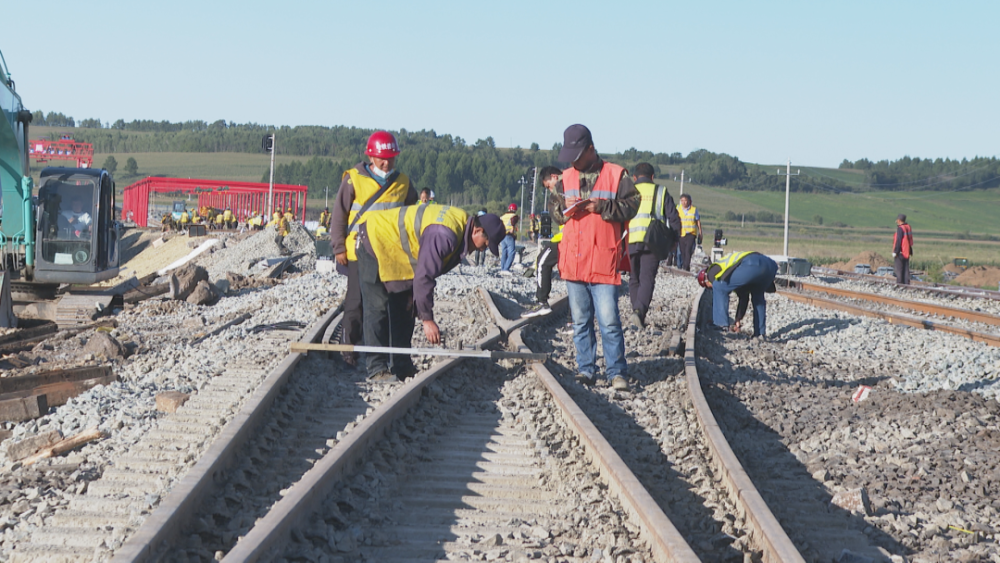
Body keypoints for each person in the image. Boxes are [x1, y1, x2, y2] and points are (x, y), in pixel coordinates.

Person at [357, 204, 505, 381]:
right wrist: (427, 319)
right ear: (477, 230)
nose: (483, 250)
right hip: (375, 240)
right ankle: (376, 369)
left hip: (395, 253)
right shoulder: (444, 236)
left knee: (405, 307)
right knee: (377, 307)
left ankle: (401, 365)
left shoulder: (461, 224)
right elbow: (424, 276)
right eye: (485, 244)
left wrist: (420, 308)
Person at [551, 124, 639, 391]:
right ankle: (586, 369)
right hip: (574, 262)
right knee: (580, 321)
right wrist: (563, 211)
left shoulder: (616, 175)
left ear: (591, 148)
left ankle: (616, 372)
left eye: (578, 155)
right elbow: (554, 212)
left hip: (603, 261)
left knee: (609, 320)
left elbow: (632, 206)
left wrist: (600, 207)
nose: (574, 161)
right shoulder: (564, 179)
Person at [331, 131, 418, 367]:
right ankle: (350, 351)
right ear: (371, 156)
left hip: (390, 254)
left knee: (388, 305)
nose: (386, 163)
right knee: (355, 304)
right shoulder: (353, 179)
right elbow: (340, 215)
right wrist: (339, 247)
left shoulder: (404, 183)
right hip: (359, 251)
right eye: (382, 158)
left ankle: (382, 354)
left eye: (390, 158)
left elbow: (412, 217)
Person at [627, 163, 681, 330]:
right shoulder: (660, 191)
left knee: (634, 278)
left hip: (630, 240)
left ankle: (636, 312)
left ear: (634, 177)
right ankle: (639, 312)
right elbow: (674, 219)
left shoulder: (627, 190)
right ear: (652, 177)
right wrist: (674, 241)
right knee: (647, 279)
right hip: (652, 241)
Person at [698, 251, 778, 338]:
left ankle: (720, 325)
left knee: (718, 286)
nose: (711, 288)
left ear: (706, 280)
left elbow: (719, 286)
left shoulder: (711, 272)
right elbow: (744, 297)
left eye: (708, 287)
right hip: (770, 266)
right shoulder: (733, 274)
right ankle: (760, 333)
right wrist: (738, 319)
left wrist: (715, 286)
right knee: (758, 298)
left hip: (751, 264)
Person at [522, 166, 564, 318]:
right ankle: (573, 319)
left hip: (568, 237)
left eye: (548, 185)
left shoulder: (563, 189)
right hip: (573, 236)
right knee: (576, 278)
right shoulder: (576, 183)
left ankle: (541, 302)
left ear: (554, 177)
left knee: (541, 262)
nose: (550, 190)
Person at [676, 194, 702, 271]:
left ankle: (686, 267)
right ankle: (685, 264)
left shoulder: (694, 210)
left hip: (691, 233)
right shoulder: (678, 209)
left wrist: (700, 232)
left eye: (685, 200)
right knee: (682, 250)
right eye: (682, 201)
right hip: (681, 233)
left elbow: (698, 221)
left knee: (688, 250)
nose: (684, 202)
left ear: (689, 201)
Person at [499, 203, 519, 274]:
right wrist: (513, 229)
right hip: (509, 235)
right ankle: (506, 269)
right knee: (511, 252)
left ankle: (502, 268)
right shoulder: (514, 216)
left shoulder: (502, 216)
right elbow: (513, 222)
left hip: (502, 235)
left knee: (504, 252)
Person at [893, 214, 913, 285]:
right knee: (906, 269)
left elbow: (899, 240)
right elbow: (909, 240)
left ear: (899, 220)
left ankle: (899, 284)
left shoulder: (900, 228)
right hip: (907, 251)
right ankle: (906, 283)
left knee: (899, 269)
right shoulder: (908, 227)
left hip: (901, 252)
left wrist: (896, 251)